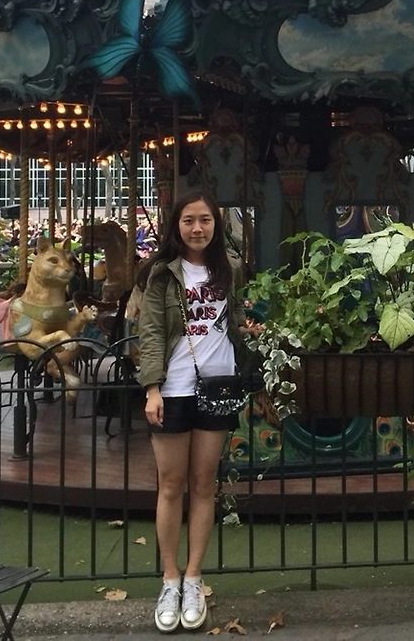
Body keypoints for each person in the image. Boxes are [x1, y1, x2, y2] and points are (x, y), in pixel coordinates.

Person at [137, 191, 251, 634]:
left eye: (205, 220)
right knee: (171, 485)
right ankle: (169, 579)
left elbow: (232, 320)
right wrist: (152, 388)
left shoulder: (229, 269)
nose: (197, 228)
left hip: (218, 385)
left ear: (216, 225)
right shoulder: (162, 274)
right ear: (177, 225)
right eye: (189, 220)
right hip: (174, 388)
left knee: (205, 484)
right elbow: (150, 332)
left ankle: (193, 578)